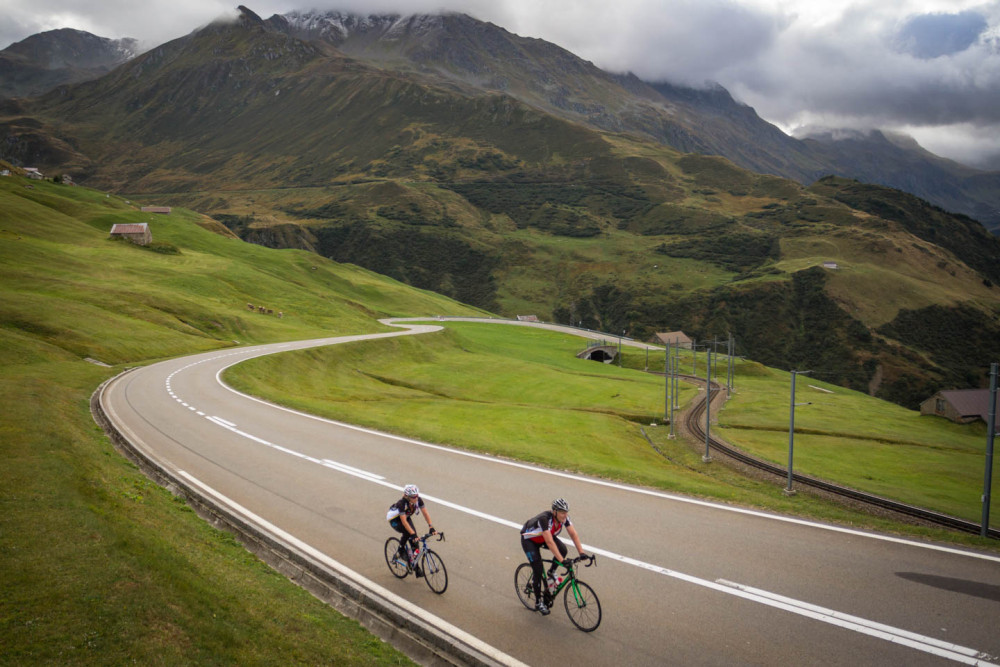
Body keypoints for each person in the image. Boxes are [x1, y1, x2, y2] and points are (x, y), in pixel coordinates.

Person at [520, 497, 592, 615]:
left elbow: (573, 534)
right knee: (537, 569)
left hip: (543, 537)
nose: (565, 515)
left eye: (566, 512)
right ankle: (538, 602)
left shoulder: (564, 519)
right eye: (562, 512)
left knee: (563, 549)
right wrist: (562, 561)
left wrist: (581, 553)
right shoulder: (544, 519)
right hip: (530, 540)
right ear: (554, 512)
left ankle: (551, 572)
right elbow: (550, 542)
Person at [387, 484, 436, 577]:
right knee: (408, 532)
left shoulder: (418, 500)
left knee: (415, 542)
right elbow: (404, 522)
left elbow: (425, 513)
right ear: (407, 496)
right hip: (395, 520)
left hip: (406, 516)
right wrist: (412, 534)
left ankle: (413, 565)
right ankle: (401, 550)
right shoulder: (401, 504)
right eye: (413, 497)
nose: (416, 498)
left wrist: (431, 526)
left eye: (417, 495)